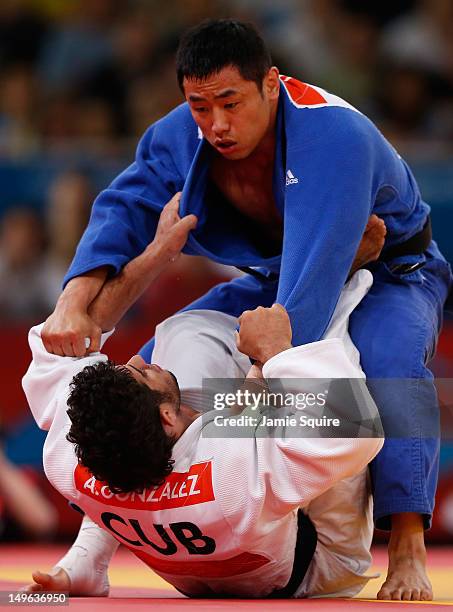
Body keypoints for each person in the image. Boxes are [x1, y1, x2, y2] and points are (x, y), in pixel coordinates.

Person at [40, 19, 452, 600]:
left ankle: (407, 546)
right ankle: (89, 551)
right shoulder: (182, 133)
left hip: (389, 269)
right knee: (147, 371)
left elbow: (299, 320)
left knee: (390, 365)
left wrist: (238, 401)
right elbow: (124, 207)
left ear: (271, 85)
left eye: (230, 103)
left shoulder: (334, 137)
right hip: (284, 272)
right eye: (199, 106)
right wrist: (72, 302)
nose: (216, 125)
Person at [23, 196, 383, 598]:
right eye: (143, 374)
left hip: (197, 540)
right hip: (311, 566)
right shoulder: (231, 474)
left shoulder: (67, 452)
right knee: (327, 376)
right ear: (165, 419)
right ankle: (347, 281)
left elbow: (72, 332)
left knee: (185, 333)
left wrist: (158, 253)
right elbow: (357, 427)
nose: (140, 359)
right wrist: (281, 350)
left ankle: (87, 555)